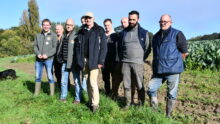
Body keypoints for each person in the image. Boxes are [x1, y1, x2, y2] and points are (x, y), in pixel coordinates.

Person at [147, 14, 188, 118]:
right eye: (161, 21)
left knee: (171, 93)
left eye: (165, 21)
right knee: (151, 89)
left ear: (170, 22)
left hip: (173, 70)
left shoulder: (177, 34)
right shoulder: (156, 36)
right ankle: (154, 112)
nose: (163, 23)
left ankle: (168, 116)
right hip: (158, 70)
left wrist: (175, 62)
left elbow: (184, 52)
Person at [75, 12, 107, 112]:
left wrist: (101, 61)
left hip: (94, 61)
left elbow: (104, 47)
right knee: (87, 82)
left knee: (93, 82)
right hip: (84, 61)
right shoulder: (81, 31)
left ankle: (95, 104)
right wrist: (79, 59)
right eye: (86, 18)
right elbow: (77, 47)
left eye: (89, 18)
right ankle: (90, 102)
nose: (88, 19)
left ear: (93, 18)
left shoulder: (99, 30)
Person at [119, 10, 151, 109]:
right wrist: (123, 59)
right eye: (130, 19)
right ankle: (128, 103)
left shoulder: (144, 33)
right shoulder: (123, 32)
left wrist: (141, 59)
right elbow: (120, 47)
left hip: (138, 63)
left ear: (138, 19)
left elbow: (148, 48)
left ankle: (141, 105)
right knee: (126, 84)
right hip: (125, 63)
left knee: (139, 84)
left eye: (134, 19)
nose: (131, 21)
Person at [56, 19, 80, 103]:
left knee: (76, 82)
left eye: (70, 25)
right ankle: (63, 97)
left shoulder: (76, 35)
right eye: (67, 24)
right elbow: (61, 48)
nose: (69, 26)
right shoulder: (64, 36)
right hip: (65, 63)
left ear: (73, 26)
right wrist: (59, 57)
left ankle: (77, 99)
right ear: (65, 25)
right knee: (63, 81)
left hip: (73, 63)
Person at [33, 19, 58, 96]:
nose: (46, 26)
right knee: (37, 76)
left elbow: (55, 48)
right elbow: (35, 46)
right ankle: (36, 93)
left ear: (50, 26)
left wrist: (47, 55)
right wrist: (37, 54)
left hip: (49, 60)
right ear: (42, 25)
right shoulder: (38, 35)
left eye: (47, 25)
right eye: (44, 25)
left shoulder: (53, 35)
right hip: (38, 60)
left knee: (50, 77)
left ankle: (52, 94)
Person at [102, 18, 122, 98]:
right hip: (104, 61)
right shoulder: (102, 36)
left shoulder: (116, 35)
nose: (107, 27)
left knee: (114, 79)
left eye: (108, 25)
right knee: (105, 79)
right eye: (105, 25)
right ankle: (107, 92)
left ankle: (114, 95)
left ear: (111, 25)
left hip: (114, 61)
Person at [54, 24, 64, 89]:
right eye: (57, 29)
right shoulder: (54, 39)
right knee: (57, 74)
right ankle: (59, 88)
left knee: (64, 76)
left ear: (62, 30)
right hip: (55, 60)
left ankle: (67, 90)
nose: (58, 31)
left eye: (59, 29)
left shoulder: (65, 38)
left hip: (63, 60)